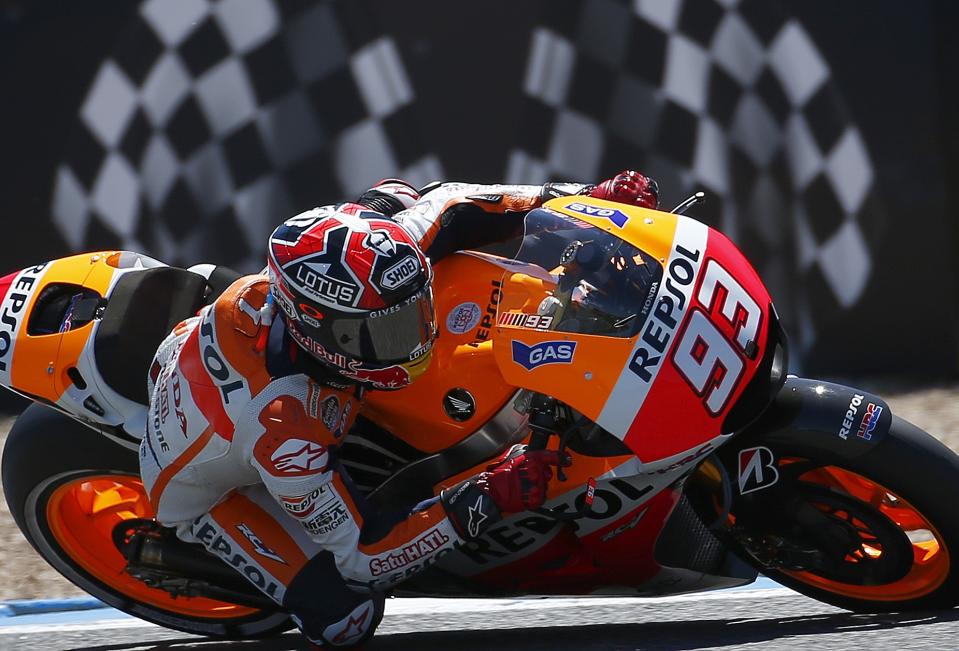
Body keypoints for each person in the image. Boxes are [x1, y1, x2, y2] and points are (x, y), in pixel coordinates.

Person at [139, 170, 659, 647]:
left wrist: (584, 198)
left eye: (416, 309)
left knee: (401, 196)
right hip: (202, 487)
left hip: (221, 360)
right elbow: (363, 555)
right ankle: (190, 545)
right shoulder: (286, 430)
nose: (416, 336)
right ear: (325, 333)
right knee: (346, 618)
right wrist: (488, 496)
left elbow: (454, 202)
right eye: (389, 331)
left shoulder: (360, 276)